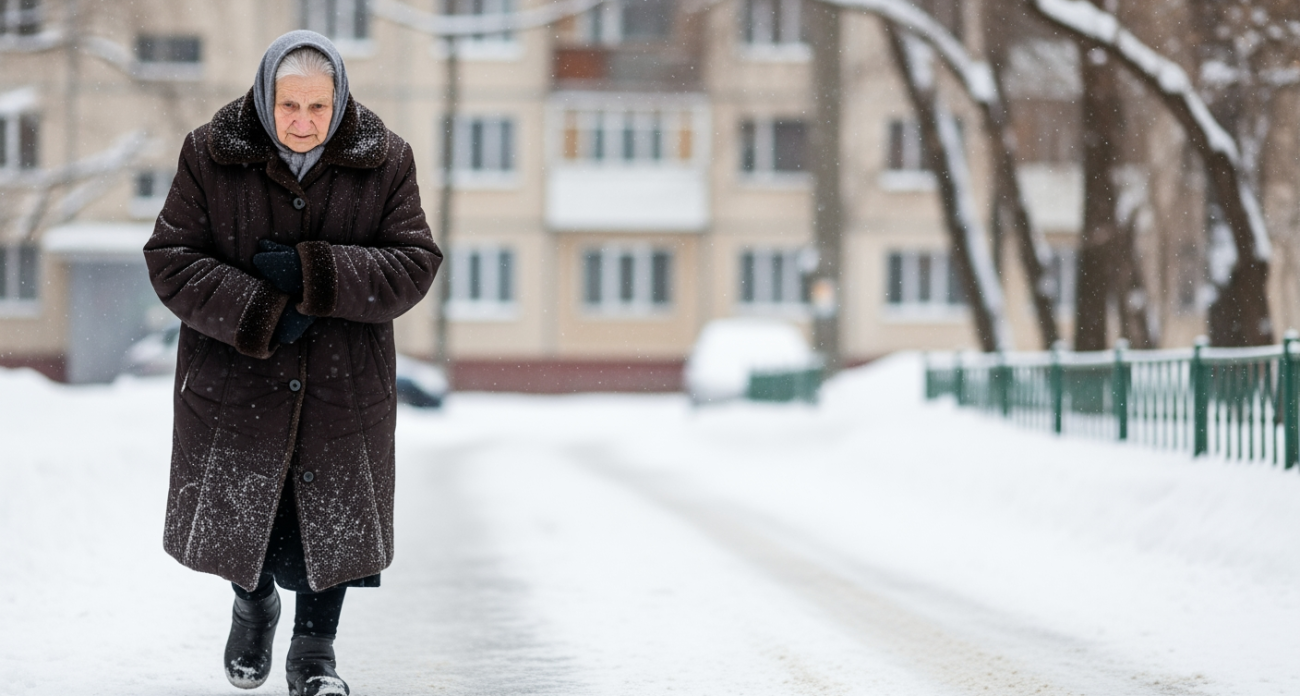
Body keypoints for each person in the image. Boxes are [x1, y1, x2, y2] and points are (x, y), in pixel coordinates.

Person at [143, 30, 441, 696]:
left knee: (327, 522)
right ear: (263, 98)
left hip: (343, 382)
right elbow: (171, 259)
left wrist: (318, 274)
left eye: (317, 107)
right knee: (246, 512)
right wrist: (262, 309)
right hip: (236, 380)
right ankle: (253, 607)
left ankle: (315, 653)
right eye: (288, 106)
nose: (303, 122)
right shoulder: (210, 152)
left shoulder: (386, 159)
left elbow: (415, 262)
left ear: (339, 102)